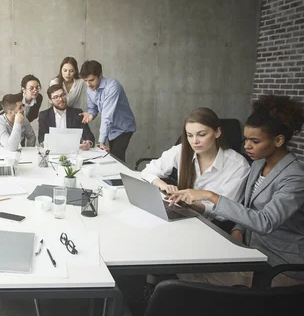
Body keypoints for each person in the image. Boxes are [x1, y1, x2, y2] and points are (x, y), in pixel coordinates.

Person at [169, 95, 304, 287]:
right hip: (251, 251)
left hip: (279, 265)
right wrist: (238, 230)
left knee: (192, 273)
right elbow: (248, 207)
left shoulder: (295, 177)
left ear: (278, 140)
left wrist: (210, 196)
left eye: (255, 141)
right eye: (246, 139)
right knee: (187, 258)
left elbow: (265, 221)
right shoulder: (258, 165)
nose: (246, 146)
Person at [141, 107, 250, 216]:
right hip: (184, 214)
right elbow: (148, 171)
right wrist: (163, 185)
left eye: (201, 135)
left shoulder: (238, 165)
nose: (194, 141)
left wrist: (193, 204)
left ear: (217, 132)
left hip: (213, 225)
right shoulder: (182, 150)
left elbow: (226, 213)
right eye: (190, 135)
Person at [79, 60, 136, 162]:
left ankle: (119, 177)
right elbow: (93, 108)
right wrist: (91, 114)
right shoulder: (90, 89)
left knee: (117, 160)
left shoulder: (113, 87)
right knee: (112, 158)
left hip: (123, 128)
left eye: (91, 80)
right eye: (85, 81)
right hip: (110, 129)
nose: (88, 84)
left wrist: (101, 141)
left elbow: (107, 116)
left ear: (100, 76)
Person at [38, 84, 95, 150]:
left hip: (74, 151)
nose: (61, 99)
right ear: (50, 100)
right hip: (53, 151)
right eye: (56, 97)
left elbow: (88, 135)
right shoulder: (44, 115)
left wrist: (88, 143)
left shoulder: (77, 113)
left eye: (62, 95)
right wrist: (45, 143)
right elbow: (42, 137)